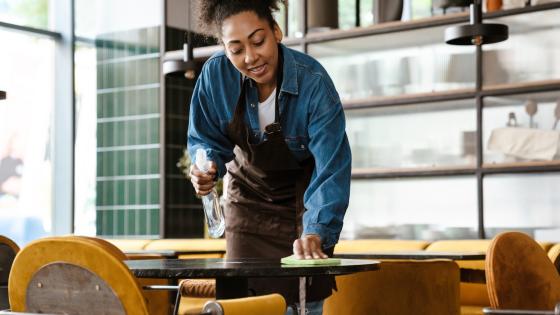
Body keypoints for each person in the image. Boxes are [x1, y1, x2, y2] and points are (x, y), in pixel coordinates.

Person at [187, 1, 351, 314]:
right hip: (245, 204)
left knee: (304, 300)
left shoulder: (313, 83)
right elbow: (204, 139)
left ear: (276, 31)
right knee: (242, 302)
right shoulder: (214, 76)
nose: (250, 57)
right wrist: (204, 165)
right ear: (224, 48)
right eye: (235, 49)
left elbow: (332, 169)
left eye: (258, 41)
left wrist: (316, 230)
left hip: (302, 208)